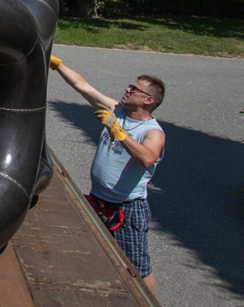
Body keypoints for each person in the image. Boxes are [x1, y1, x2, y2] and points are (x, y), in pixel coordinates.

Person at [50, 56, 166, 297]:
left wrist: (118, 132)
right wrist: (57, 64)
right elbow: (83, 86)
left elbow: (147, 158)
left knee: (138, 268)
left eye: (134, 89)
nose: (127, 89)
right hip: (99, 200)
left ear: (148, 100)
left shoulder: (152, 131)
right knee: (99, 254)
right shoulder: (117, 110)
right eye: (129, 85)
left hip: (128, 209)